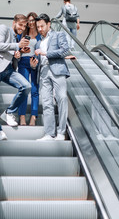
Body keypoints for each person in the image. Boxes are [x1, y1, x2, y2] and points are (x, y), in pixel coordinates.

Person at [0, 14, 31, 140]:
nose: (22, 28)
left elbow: (11, 54)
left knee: (26, 86)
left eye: (24, 26)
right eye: (20, 25)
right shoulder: (3, 28)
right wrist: (17, 46)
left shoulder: (17, 39)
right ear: (14, 23)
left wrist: (18, 54)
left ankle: (9, 112)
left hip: (8, 69)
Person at [32, 13, 74, 141]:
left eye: (42, 26)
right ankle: (49, 133)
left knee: (62, 98)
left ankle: (61, 132)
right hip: (43, 71)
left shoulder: (58, 35)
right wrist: (34, 65)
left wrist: (46, 53)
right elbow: (38, 59)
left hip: (57, 69)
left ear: (49, 24)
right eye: (38, 27)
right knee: (46, 103)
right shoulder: (38, 43)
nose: (40, 29)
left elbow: (65, 50)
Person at [17, 12, 42, 126]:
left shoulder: (40, 35)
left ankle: (33, 116)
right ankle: (22, 116)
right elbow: (16, 48)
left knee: (34, 90)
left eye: (33, 20)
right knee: (24, 89)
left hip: (35, 62)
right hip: (23, 62)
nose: (31, 23)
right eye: (29, 20)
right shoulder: (23, 33)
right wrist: (22, 51)